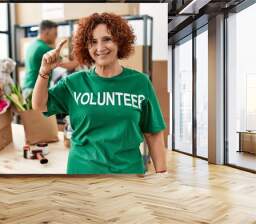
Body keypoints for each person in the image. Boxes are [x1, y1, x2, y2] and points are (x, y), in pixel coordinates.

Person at [32, 12, 167, 174]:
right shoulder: (74, 83)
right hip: (82, 175)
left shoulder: (140, 83)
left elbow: (153, 133)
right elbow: (39, 105)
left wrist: (162, 175)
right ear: (86, 47)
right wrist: (43, 72)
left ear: (120, 41)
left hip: (128, 176)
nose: (100, 48)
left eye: (107, 39)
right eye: (93, 42)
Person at [23, 20, 78, 99]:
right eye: (55, 34)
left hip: (27, 87)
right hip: (35, 89)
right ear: (47, 32)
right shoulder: (44, 48)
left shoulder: (32, 45)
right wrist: (82, 56)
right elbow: (70, 65)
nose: (56, 37)